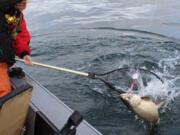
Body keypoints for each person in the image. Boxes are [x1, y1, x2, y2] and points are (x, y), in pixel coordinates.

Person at [0, 0, 32, 97]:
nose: (24, 3)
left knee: (4, 93)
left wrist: (24, 53)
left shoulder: (15, 14)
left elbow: (18, 34)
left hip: (3, 61)